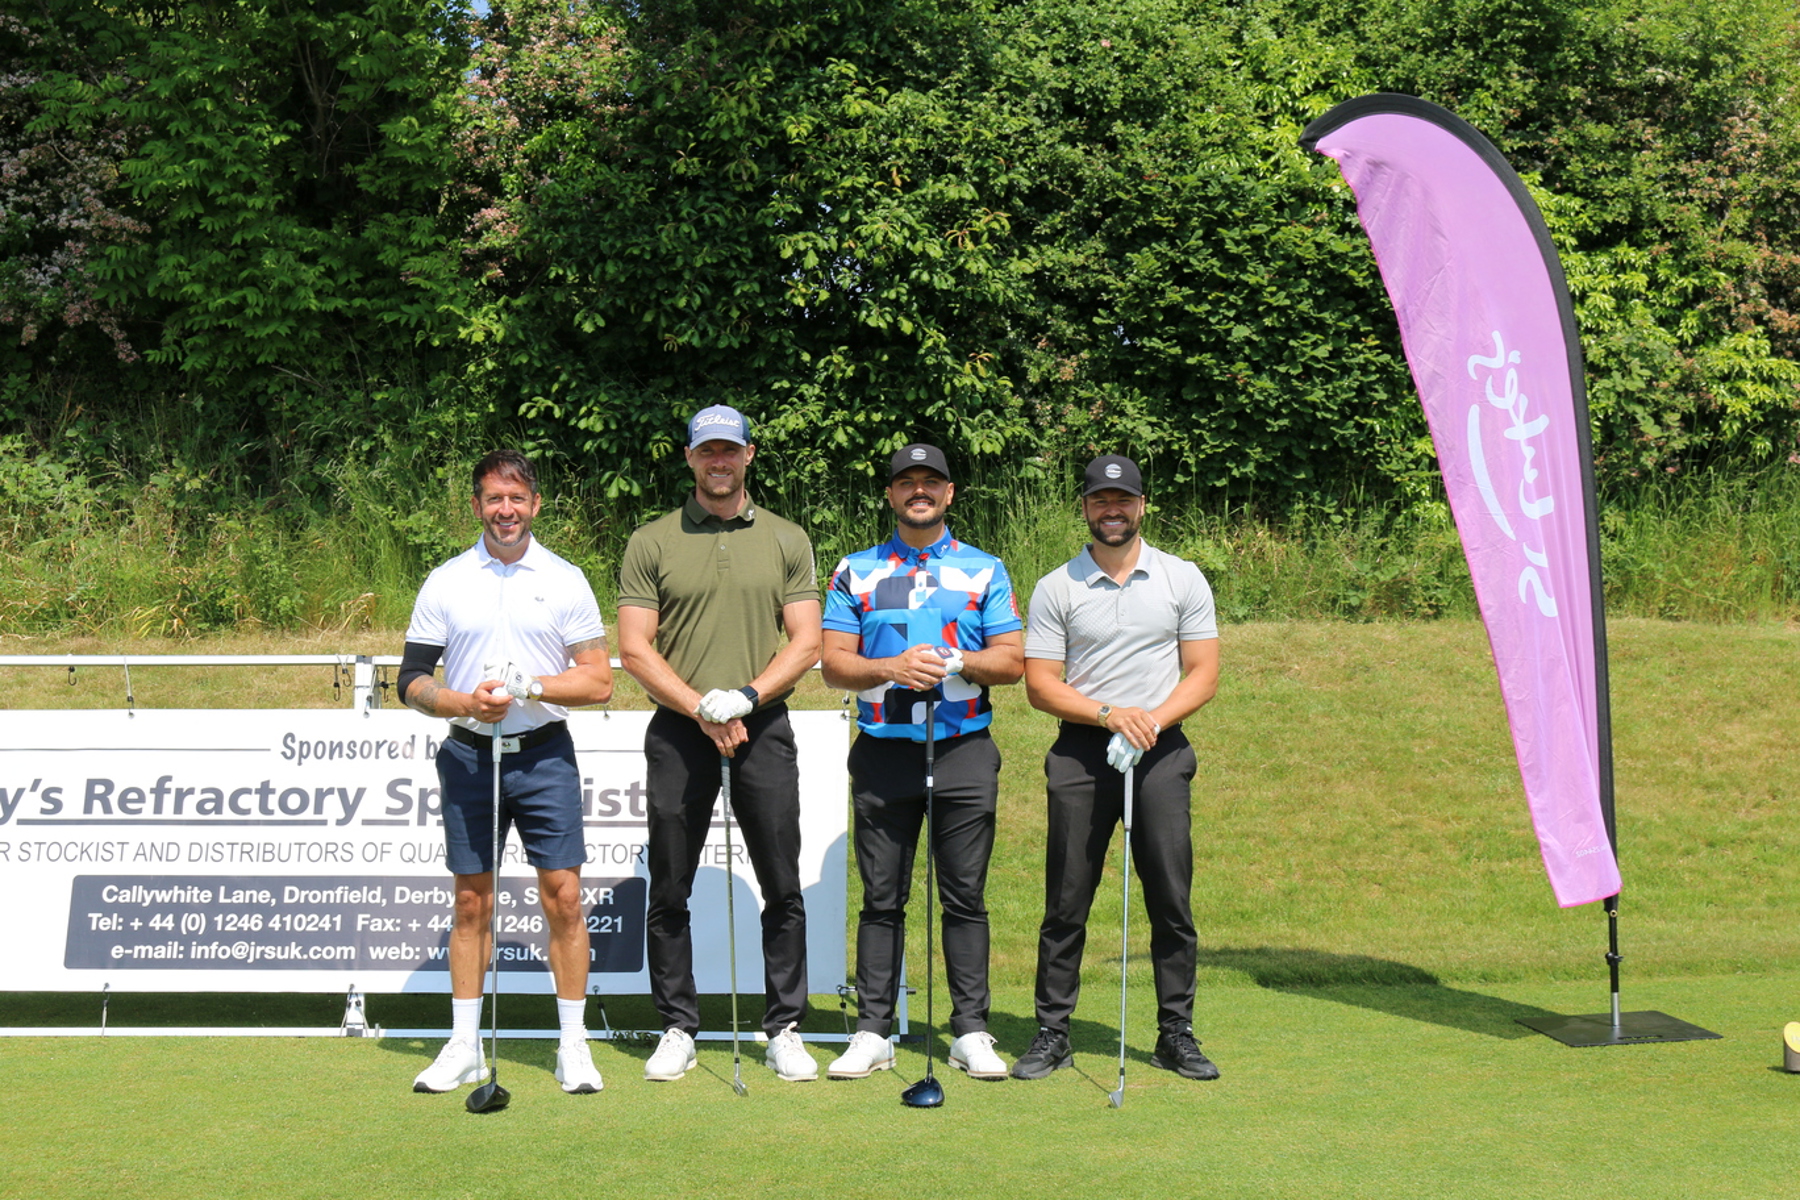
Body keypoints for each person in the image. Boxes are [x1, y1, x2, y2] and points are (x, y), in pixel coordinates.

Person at [617, 404, 824, 1083]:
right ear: (689, 458)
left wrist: (747, 697)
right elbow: (635, 647)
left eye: (729, 450)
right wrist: (700, 705)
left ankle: (784, 1027)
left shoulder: (786, 537)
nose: (718, 462)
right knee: (669, 887)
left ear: (748, 455)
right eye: (706, 451)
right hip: (680, 728)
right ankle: (678, 1025)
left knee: (782, 883)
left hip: (762, 723)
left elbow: (806, 641)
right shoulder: (652, 540)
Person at [401, 449, 614, 1096]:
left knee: (564, 898)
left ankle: (572, 1044)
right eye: (494, 498)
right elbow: (411, 681)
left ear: (535, 505)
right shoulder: (446, 580)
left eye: (517, 498)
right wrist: (463, 703)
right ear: (476, 505)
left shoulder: (565, 579)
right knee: (471, 901)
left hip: (544, 753)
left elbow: (599, 681)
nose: (506, 510)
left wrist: (532, 685)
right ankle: (464, 1046)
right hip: (469, 754)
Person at [1012, 454, 1223, 1082]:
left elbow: (1203, 673)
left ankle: (1175, 1032)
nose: (1113, 510)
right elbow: (1040, 685)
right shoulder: (1058, 586)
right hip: (1082, 752)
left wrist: (1148, 722)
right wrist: (1110, 716)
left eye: (1123, 500)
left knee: (1170, 898)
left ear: (1141, 505)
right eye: (1101, 500)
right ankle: (1053, 1032)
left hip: (1161, 750)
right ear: (1085, 507)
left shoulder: (1182, 578)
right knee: (1067, 898)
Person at [819, 443, 1025, 1081]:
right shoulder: (855, 570)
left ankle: (971, 1031)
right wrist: (891, 666)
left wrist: (960, 661)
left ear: (949, 492)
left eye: (930, 482)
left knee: (964, 896)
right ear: (890, 494)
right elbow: (834, 665)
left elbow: (1012, 661)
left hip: (964, 749)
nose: (919, 491)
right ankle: (873, 1032)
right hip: (883, 751)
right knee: (882, 899)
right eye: (906, 482)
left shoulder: (984, 569)